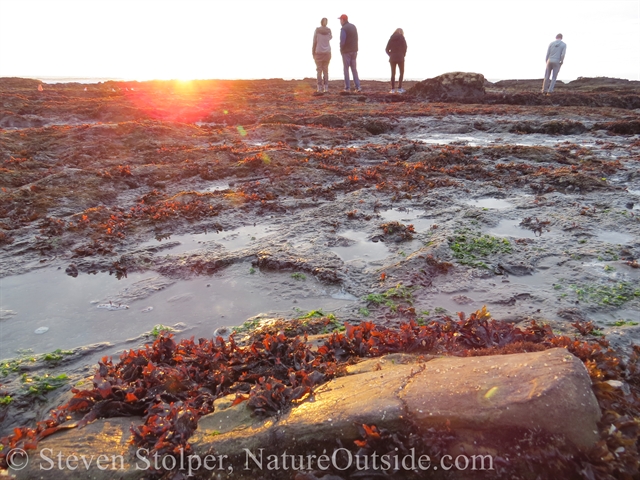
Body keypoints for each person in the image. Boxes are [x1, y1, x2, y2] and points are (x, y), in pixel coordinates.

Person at [338, 14, 361, 93]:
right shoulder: (353, 26)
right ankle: (358, 87)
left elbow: (342, 41)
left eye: (340, 20)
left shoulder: (344, 28)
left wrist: (341, 49)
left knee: (346, 69)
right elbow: (356, 38)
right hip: (354, 51)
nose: (340, 22)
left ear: (343, 20)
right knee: (354, 69)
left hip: (346, 51)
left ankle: (347, 87)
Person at [312, 18, 332, 93]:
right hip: (327, 52)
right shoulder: (329, 31)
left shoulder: (317, 30)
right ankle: (326, 88)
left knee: (319, 70)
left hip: (318, 52)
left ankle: (319, 88)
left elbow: (314, 42)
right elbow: (330, 38)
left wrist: (313, 52)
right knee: (326, 70)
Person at [385, 28, 407, 93]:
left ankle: (392, 89)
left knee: (393, 73)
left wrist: (391, 55)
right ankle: (399, 88)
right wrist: (403, 54)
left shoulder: (391, 39)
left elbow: (386, 49)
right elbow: (405, 48)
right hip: (400, 57)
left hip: (392, 58)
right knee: (401, 72)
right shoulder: (402, 38)